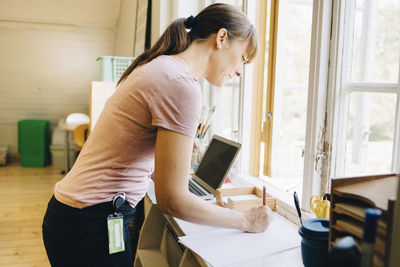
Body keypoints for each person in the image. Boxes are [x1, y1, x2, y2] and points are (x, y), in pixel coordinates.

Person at [42, 3, 272, 267]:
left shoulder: (163, 67)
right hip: (89, 223)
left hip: (76, 217)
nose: (241, 71)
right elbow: (173, 201)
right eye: (243, 57)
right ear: (221, 38)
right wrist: (245, 221)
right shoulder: (181, 84)